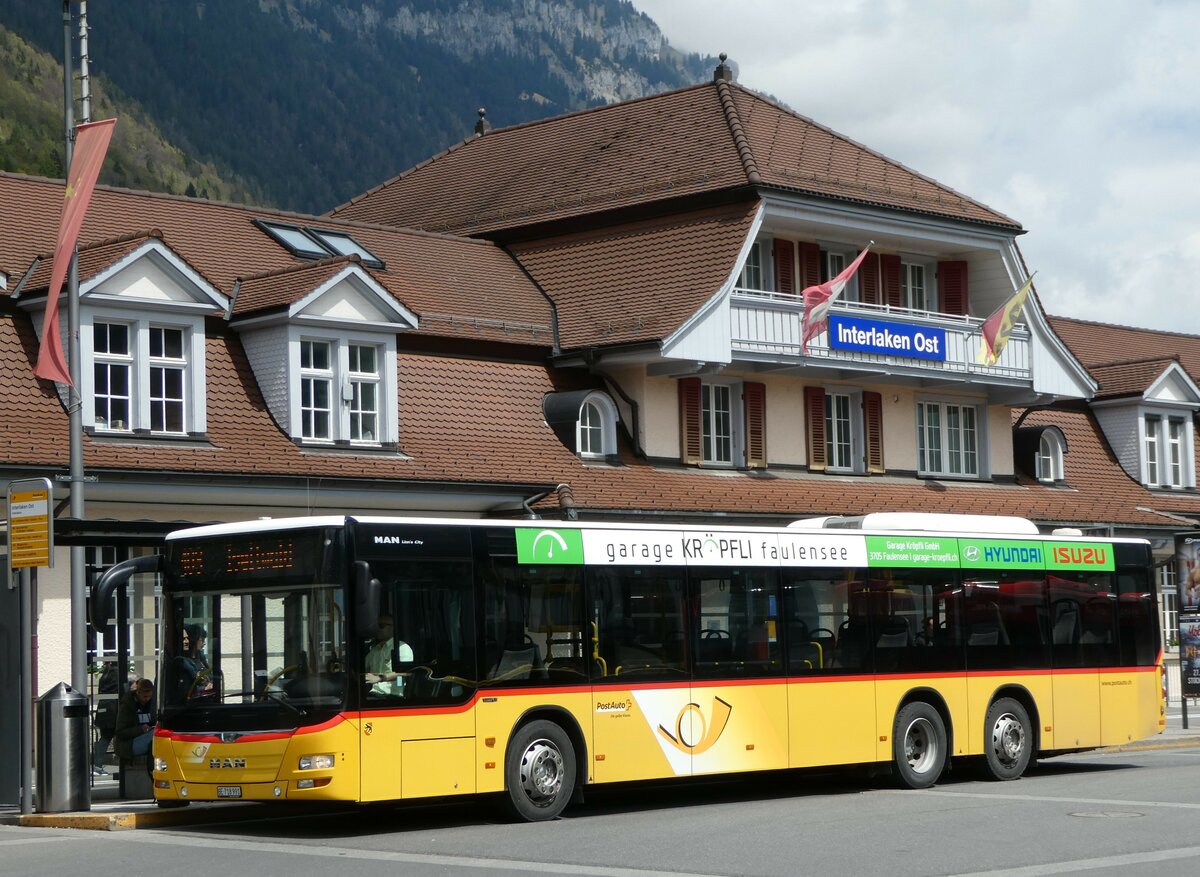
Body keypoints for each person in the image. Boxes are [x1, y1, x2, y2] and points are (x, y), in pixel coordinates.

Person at [364, 614, 412, 697]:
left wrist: (380, 678)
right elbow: (364, 670)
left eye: (381, 626)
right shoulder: (374, 651)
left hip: (394, 697)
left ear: (393, 628)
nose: (377, 629)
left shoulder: (402, 648)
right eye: (376, 626)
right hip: (374, 695)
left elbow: (405, 672)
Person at [114, 678, 157, 761]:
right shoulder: (127, 705)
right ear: (138, 692)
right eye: (145, 696)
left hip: (143, 737)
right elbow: (120, 732)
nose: (147, 699)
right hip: (128, 744)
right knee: (156, 736)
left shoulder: (151, 704)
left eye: (150, 696)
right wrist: (140, 729)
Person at [91, 663, 120, 775]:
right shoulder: (116, 673)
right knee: (108, 737)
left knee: (104, 738)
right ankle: (97, 766)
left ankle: (97, 765)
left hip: (103, 707)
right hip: (113, 708)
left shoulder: (104, 675)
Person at [171, 623, 213, 700]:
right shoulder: (181, 661)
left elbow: (210, 675)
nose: (204, 643)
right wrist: (204, 689)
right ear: (194, 639)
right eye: (202, 639)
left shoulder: (201, 658)